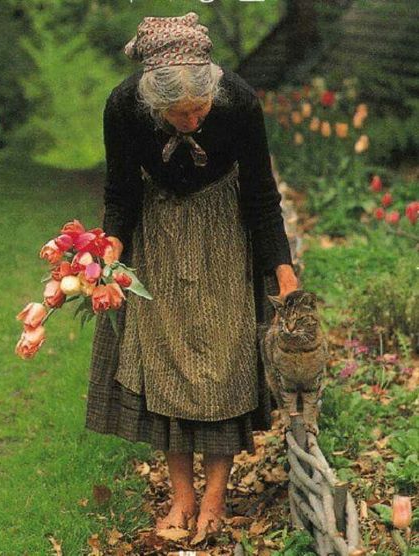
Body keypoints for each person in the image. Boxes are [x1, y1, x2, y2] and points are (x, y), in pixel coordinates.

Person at [85, 12, 299, 538]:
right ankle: (181, 498)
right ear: (154, 106)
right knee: (166, 363)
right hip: (158, 234)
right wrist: (108, 250)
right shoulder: (123, 107)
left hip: (226, 232)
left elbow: (261, 196)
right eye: (179, 115)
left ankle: (215, 498)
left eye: (199, 109)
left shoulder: (240, 102)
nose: (193, 121)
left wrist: (283, 272)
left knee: (225, 366)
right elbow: (120, 193)